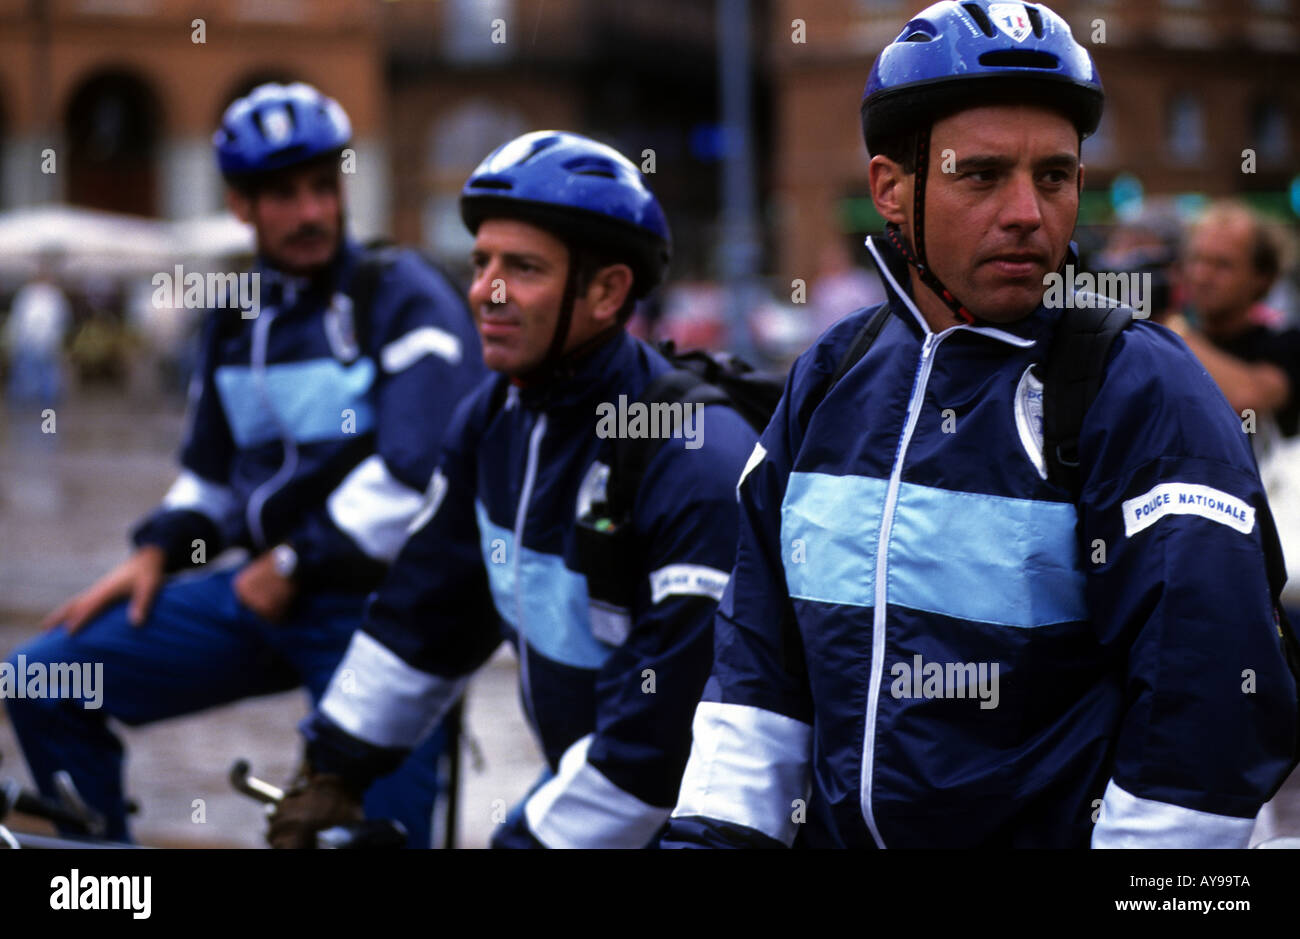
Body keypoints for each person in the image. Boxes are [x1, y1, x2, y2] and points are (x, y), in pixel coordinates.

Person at [661, 0, 1298, 849]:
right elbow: (757, 669)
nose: (1028, 213)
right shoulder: (828, 375)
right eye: (983, 174)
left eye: (1056, 175)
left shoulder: (1144, 389)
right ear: (891, 189)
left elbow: (1208, 719)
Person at [2, 82, 486, 847]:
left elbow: (416, 471)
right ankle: (102, 879)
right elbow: (215, 474)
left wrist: (294, 560)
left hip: (384, 618)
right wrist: (159, 546)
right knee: (41, 679)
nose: (311, 212)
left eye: (324, 188)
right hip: (265, 597)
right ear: (240, 206)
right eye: (284, 194)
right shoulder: (233, 315)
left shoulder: (401, 293)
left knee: (371, 836)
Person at [266, 131, 758, 849]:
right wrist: (332, 767)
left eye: (522, 268)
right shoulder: (493, 417)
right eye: (480, 263)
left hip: (686, 820)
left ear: (608, 290)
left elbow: (660, 741)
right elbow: (425, 611)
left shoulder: (693, 459)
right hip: (592, 787)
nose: (483, 293)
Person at [1167, 201, 1299, 436]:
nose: (1201, 275)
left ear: (1262, 277)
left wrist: (1175, 333)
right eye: (1196, 260)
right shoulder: (1173, 338)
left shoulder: (1286, 343)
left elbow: (1247, 399)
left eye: (1222, 265)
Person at [3, 253, 71, 405]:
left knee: (45, 377)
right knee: (26, 375)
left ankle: (45, 409)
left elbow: (62, 320)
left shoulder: (53, 295)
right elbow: (18, 320)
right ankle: (27, 407)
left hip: (46, 342)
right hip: (28, 342)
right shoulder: (27, 294)